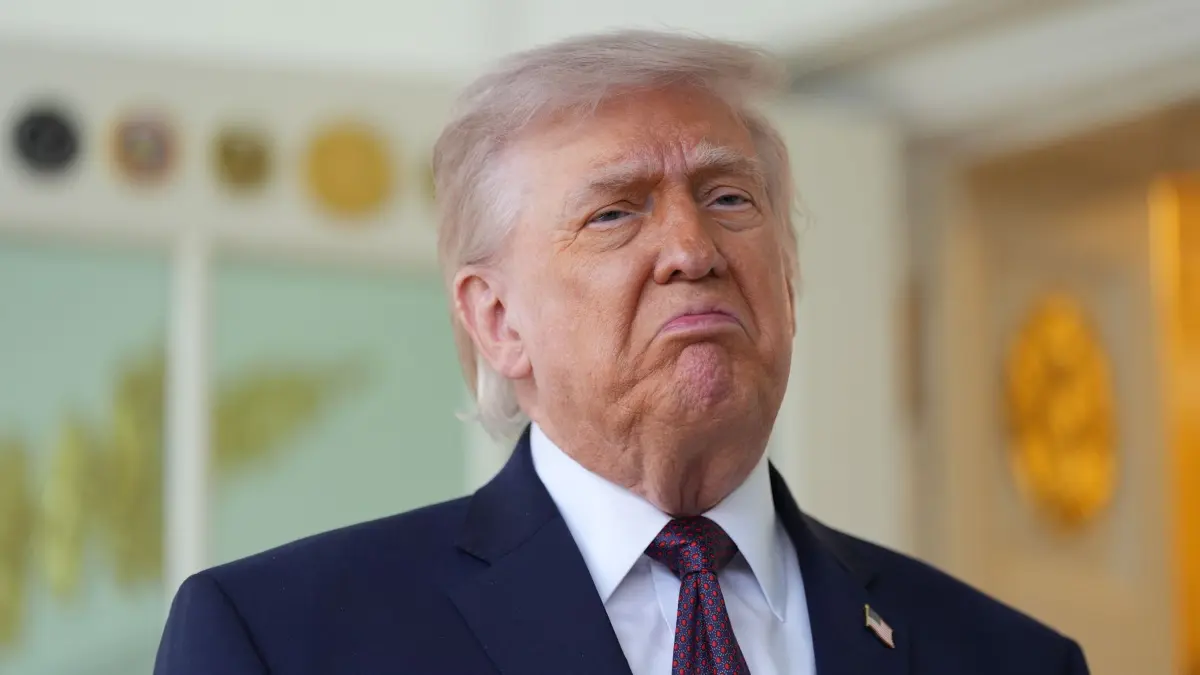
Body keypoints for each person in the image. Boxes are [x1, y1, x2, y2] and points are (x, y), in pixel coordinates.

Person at [154, 30, 1091, 675]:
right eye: (616, 211)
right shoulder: (286, 641)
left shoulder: (1003, 657)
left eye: (729, 198)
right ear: (496, 321)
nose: (692, 249)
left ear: (791, 280)